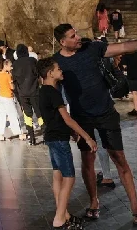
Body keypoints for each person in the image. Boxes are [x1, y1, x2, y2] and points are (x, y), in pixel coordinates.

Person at [53, 23, 137, 226]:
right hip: (82, 118)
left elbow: (123, 47)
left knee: (119, 159)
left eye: (76, 33)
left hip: (106, 112)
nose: (78, 37)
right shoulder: (57, 63)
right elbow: (54, 93)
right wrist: (66, 125)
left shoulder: (92, 48)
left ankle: (135, 207)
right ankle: (94, 202)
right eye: (72, 36)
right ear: (62, 42)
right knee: (87, 161)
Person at [38, 58, 92, 229]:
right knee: (69, 177)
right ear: (50, 73)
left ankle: (64, 214)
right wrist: (86, 137)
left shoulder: (43, 91)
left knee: (58, 175)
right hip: (59, 139)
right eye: (58, 69)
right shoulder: (53, 93)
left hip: (52, 137)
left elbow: (55, 118)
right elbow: (66, 118)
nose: (61, 71)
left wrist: (71, 132)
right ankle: (59, 218)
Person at [12, 44, 42, 145]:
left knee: (27, 115)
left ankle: (32, 138)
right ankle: (45, 134)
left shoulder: (15, 64)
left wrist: (18, 95)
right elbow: (38, 74)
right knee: (39, 113)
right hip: (34, 91)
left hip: (22, 94)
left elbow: (14, 81)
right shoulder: (32, 61)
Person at [0, 58, 25, 142]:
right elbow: (12, 87)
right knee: (13, 115)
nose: (11, 68)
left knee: (1, 116)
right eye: (10, 66)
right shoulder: (8, 75)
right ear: (5, 65)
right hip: (8, 97)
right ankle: (19, 133)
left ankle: (0, 135)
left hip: (1, 96)